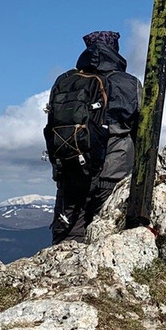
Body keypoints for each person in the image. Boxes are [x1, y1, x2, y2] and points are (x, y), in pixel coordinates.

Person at [50, 30, 141, 245]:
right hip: (113, 171)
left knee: (69, 236)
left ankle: (63, 273)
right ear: (115, 50)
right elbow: (140, 125)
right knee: (106, 237)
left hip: (73, 168)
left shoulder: (67, 81)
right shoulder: (128, 83)